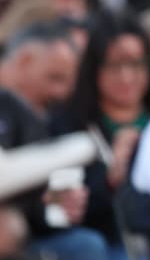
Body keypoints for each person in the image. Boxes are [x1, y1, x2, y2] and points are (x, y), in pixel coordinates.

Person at [51, 13, 150, 260]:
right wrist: (111, 176)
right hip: (107, 244)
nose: (126, 76)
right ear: (94, 68)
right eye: (114, 65)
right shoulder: (66, 123)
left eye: (136, 64)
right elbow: (60, 213)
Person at [0, 21, 106, 260]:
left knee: (85, 244)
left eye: (69, 83)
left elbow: (49, 217)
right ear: (25, 61)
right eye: (55, 78)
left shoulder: (50, 118)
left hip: (27, 240)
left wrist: (56, 208)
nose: (62, 93)